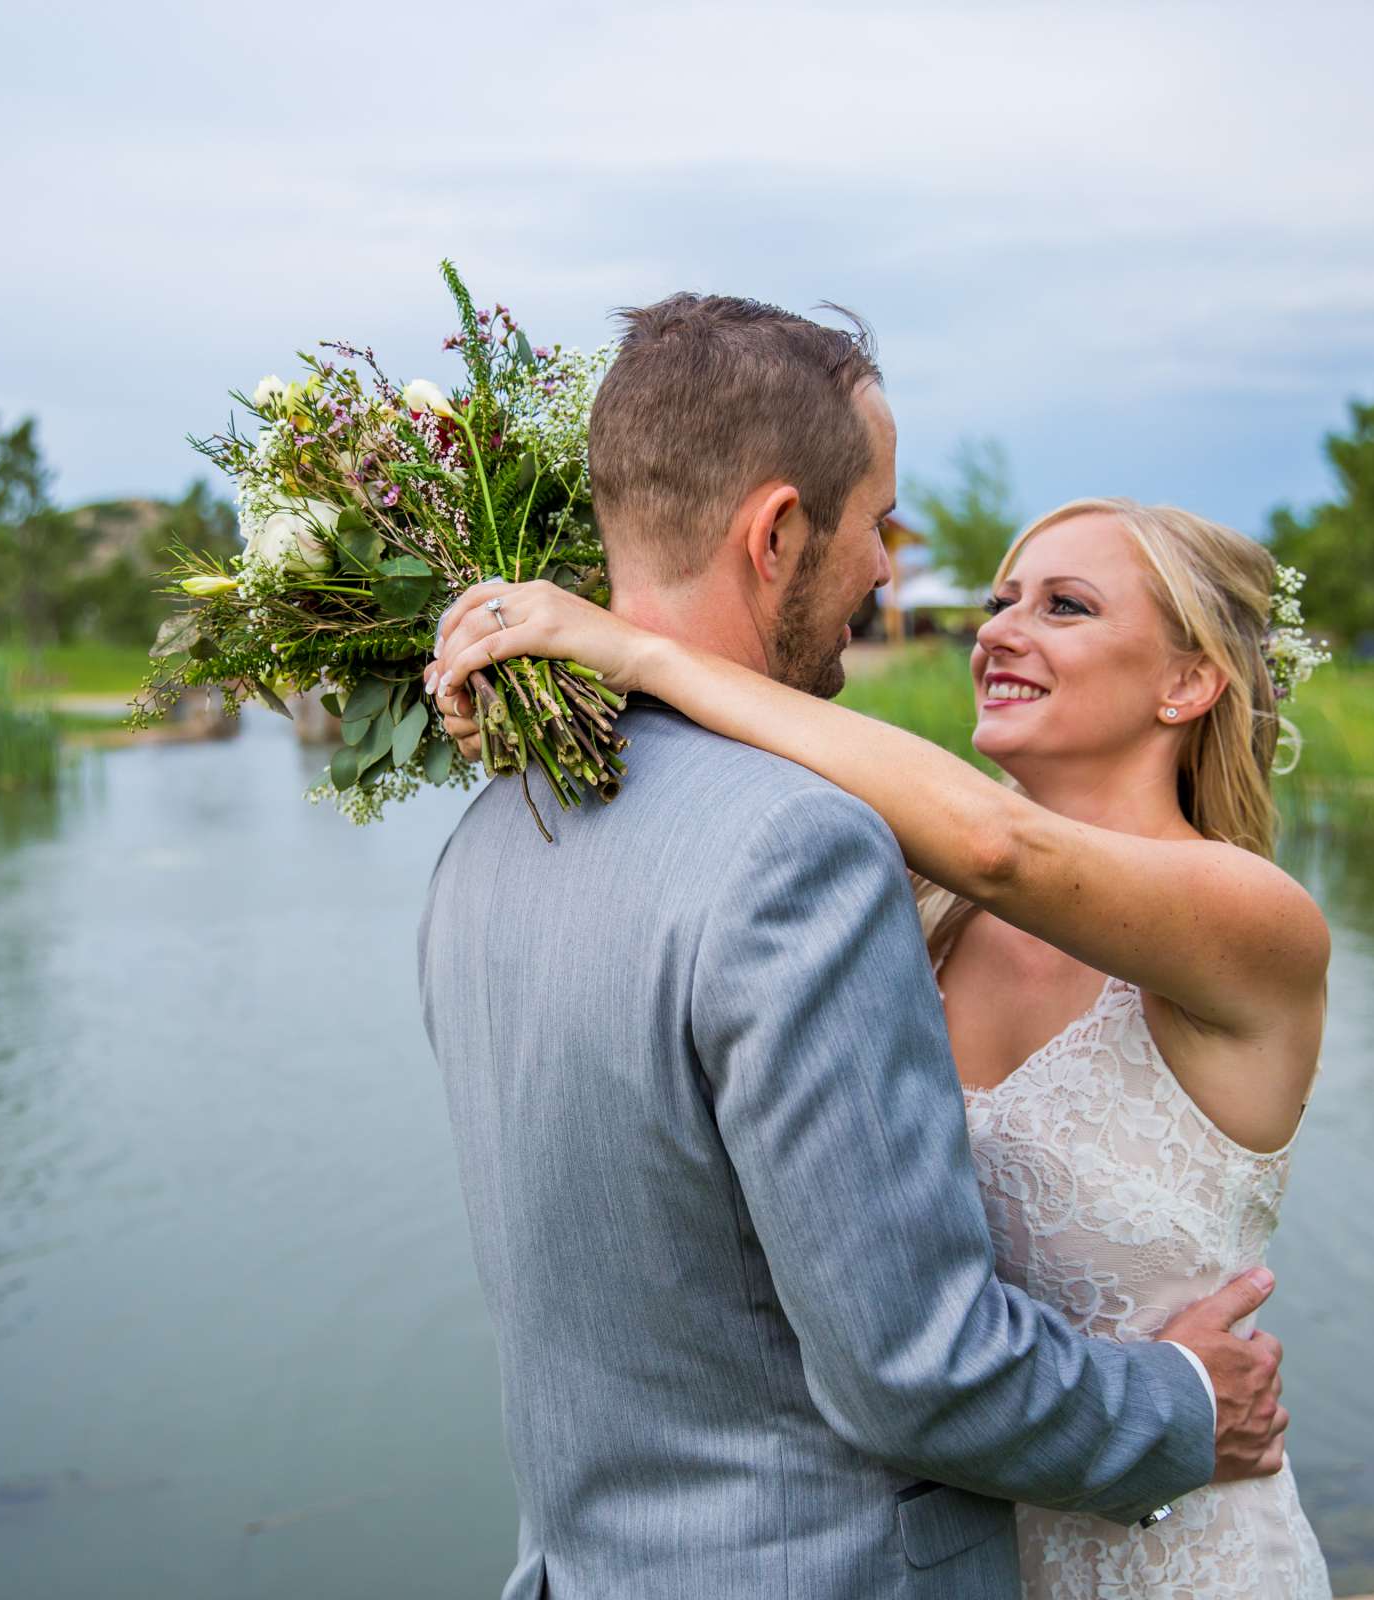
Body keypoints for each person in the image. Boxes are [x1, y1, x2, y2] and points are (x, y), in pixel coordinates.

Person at [415, 293, 1292, 1600]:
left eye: (1062, 605)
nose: (903, 577)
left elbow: (997, 843)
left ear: (1192, 680)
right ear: (777, 533)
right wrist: (1174, 1404)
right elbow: (912, 1367)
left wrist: (631, 656)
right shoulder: (825, 863)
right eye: (880, 526)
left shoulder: (496, 831)